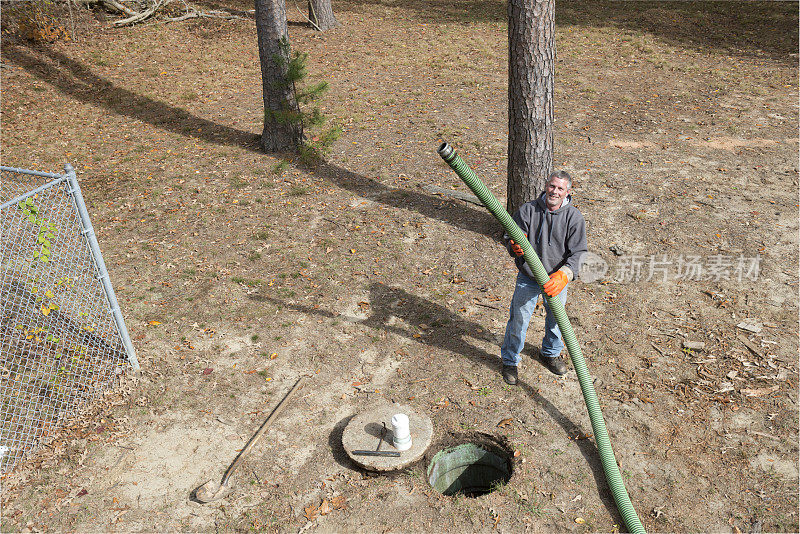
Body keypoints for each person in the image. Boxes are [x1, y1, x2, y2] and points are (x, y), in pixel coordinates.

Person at [500, 171, 587, 385]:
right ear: (546, 186)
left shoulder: (573, 217)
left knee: (557, 320)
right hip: (529, 277)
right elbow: (509, 235)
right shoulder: (528, 210)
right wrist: (514, 245)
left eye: (560, 188)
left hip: (555, 281)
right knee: (518, 319)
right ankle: (510, 360)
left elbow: (579, 253)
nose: (554, 191)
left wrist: (564, 275)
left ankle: (549, 353)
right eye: (552, 186)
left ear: (568, 192)